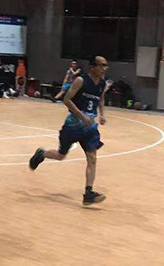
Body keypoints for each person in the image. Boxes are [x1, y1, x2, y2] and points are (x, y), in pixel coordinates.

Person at [29, 55, 109, 206]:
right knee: (61, 155)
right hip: (73, 124)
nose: (105, 68)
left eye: (106, 65)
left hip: (90, 128)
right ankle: (42, 154)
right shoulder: (81, 81)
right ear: (92, 67)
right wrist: (81, 115)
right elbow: (66, 99)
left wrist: (102, 114)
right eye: (101, 65)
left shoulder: (102, 84)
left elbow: (101, 99)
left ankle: (88, 193)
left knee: (92, 158)